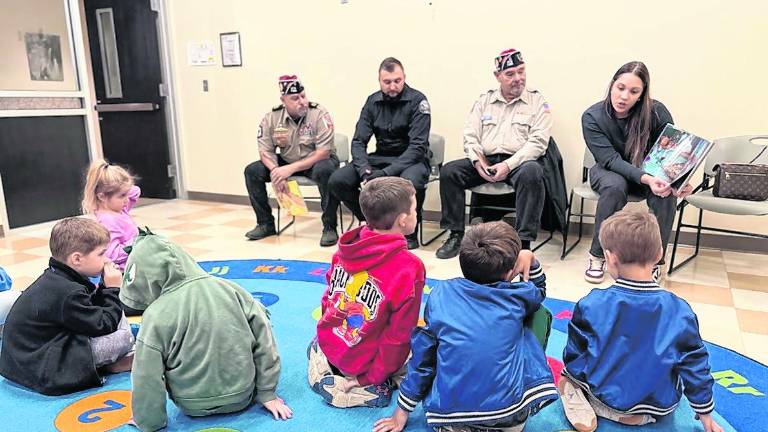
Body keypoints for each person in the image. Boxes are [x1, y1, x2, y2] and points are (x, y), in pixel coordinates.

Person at [374, 221, 557, 432]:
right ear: (510, 272)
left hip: (449, 417)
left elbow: (423, 359)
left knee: (436, 341)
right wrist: (530, 258)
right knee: (538, 315)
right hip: (509, 417)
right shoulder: (517, 296)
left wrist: (401, 412)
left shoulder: (441, 293)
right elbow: (539, 290)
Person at [559, 210, 722, 432]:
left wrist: (575, 375)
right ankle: (636, 415)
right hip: (659, 404)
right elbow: (695, 363)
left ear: (610, 258)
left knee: (569, 373)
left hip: (604, 394)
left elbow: (575, 354)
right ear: (659, 254)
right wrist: (705, 412)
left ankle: (597, 404)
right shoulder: (679, 310)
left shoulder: (592, 303)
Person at [120, 231, 292, 431]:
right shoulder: (233, 290)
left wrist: (148, 420)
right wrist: (267, 393)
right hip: (242, 396)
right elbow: (265, 341)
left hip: (191, 404)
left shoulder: (154, 314)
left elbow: (146, 373)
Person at [308, 177, 425, 408]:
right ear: (402, 220)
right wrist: (371, 377)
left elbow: (328, 299)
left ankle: (323, 363)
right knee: (424, 351)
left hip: (332, 343)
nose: (416, 213)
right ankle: (359, 389)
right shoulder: (410, 268)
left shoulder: (345, 250)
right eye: (414, 209)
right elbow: (399, 336)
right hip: (362, 364)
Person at [581, 61, 692, 284]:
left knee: (665, 194)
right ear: (612, 85)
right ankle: (597, 255)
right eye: (620, 88)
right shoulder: (592, 116)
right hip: (608, 170)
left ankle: (654, 262)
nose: (624, 97)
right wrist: (647, 178)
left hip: (648, 172)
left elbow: (671, 153)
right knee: (615, 187)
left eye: (633, 91)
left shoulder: (657, 112)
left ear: (642, 95)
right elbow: (610, 159)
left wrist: (678, 181)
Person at [436, 49, 552, 259]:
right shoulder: (484, 101)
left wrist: (508, 165)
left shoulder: (537, 101)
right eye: (510, 74)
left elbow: (538, 143)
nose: (518, 78)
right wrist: (478, 162)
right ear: (497, 76)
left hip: (519, 163)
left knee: (533, 172)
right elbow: (470, 135)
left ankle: (523, 242)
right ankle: (455, 234)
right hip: (486, 160)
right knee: (450, 171)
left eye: (521, 71)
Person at [0, 217, 134, 395]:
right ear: (77, 259)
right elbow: (103, 325)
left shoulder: (58, 277)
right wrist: (113, 289)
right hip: (46, 366)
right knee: (125, 338)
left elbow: (90, 312)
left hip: (27, 360)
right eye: (101, 254)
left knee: (114, 316)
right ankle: (106, 365)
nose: (107, 259)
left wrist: (105, 289)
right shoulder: (68, 293)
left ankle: (104, 363)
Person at [328, 57, 431, 250]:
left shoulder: (418, 101)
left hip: (411, 159)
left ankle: (408, 233)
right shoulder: (372, 101)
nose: (392, 86)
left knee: (412, 182)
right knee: (338, 180)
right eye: (387, 82)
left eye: (397, 81)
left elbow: (417, 147)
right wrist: (365, 171)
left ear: (404, 77)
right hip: (380, 156)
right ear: (379, 81)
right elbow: (359, 141)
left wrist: (384, 174)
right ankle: (373, 223)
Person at [244, 75, 340, 246]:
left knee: (326, 170)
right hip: (287, 160)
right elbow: (265, 151)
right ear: (283, 101)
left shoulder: (319, 114)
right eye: (295, 98)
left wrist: (289, 170)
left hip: (316, 161)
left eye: (303, 96)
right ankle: (265, 224)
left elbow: (323, 153)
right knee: (252, 171)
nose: (302, 102)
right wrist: (276, 171)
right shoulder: (272, 117)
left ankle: (329, 227)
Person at [82, 160, 141, 271]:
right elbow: (113, 254)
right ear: (102, 196)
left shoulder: (119, 208)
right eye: (122, 195)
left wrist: (120, 182)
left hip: (134, 262)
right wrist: (137, 242)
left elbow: (135, 192)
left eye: (126, 194)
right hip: (127, 272)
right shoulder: (108, 221)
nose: (127, 199)